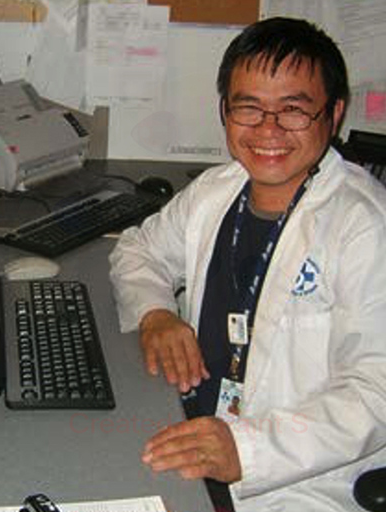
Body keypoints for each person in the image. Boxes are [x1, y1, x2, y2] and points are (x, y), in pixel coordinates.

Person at [109, 17, 386, 512]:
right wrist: (156, 314)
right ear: (224, 111)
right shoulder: (219, 189)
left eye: (294, 110)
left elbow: (376, 391)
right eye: (248, 108)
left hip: (297, 481)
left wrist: (248, 448)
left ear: (334, 113)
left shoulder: (364, 224)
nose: (268, 130)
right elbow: (138, 251)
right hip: (188, 430)